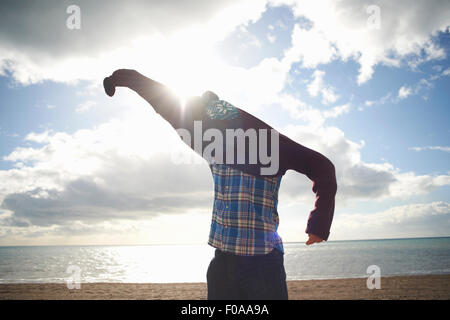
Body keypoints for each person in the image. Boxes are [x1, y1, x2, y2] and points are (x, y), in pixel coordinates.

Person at [103, 69, 337, 300]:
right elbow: (163, 100)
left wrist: (319, 222)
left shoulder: (271, 144)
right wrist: (123, 79)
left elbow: (322, 167)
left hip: (262, 262)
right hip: (222, 262)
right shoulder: (212, 144)